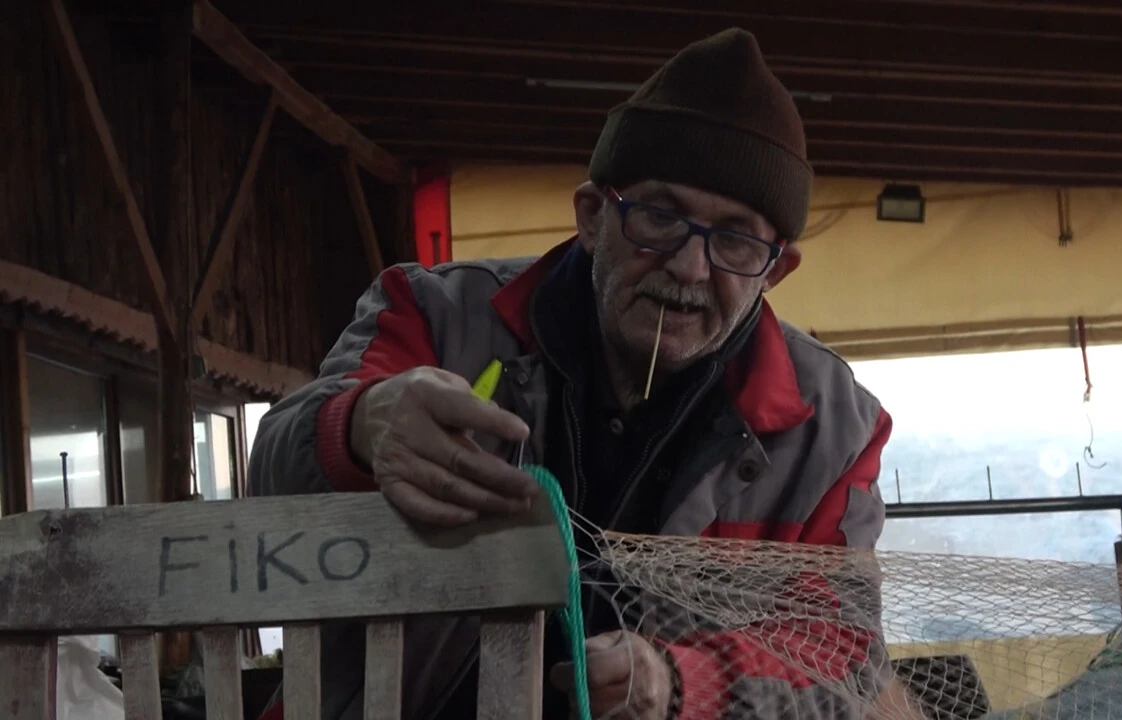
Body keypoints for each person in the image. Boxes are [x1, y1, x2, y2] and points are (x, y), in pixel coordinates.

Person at [250, 27, 904, 720]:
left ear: (776, 269)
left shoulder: (835, 428)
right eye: (659, 217)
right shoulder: (435, 316)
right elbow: (270, 482)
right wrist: (361, 425)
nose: (689, 267)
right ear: (593, 216)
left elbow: (841, 655)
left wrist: (679, 683)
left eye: (736, 240)